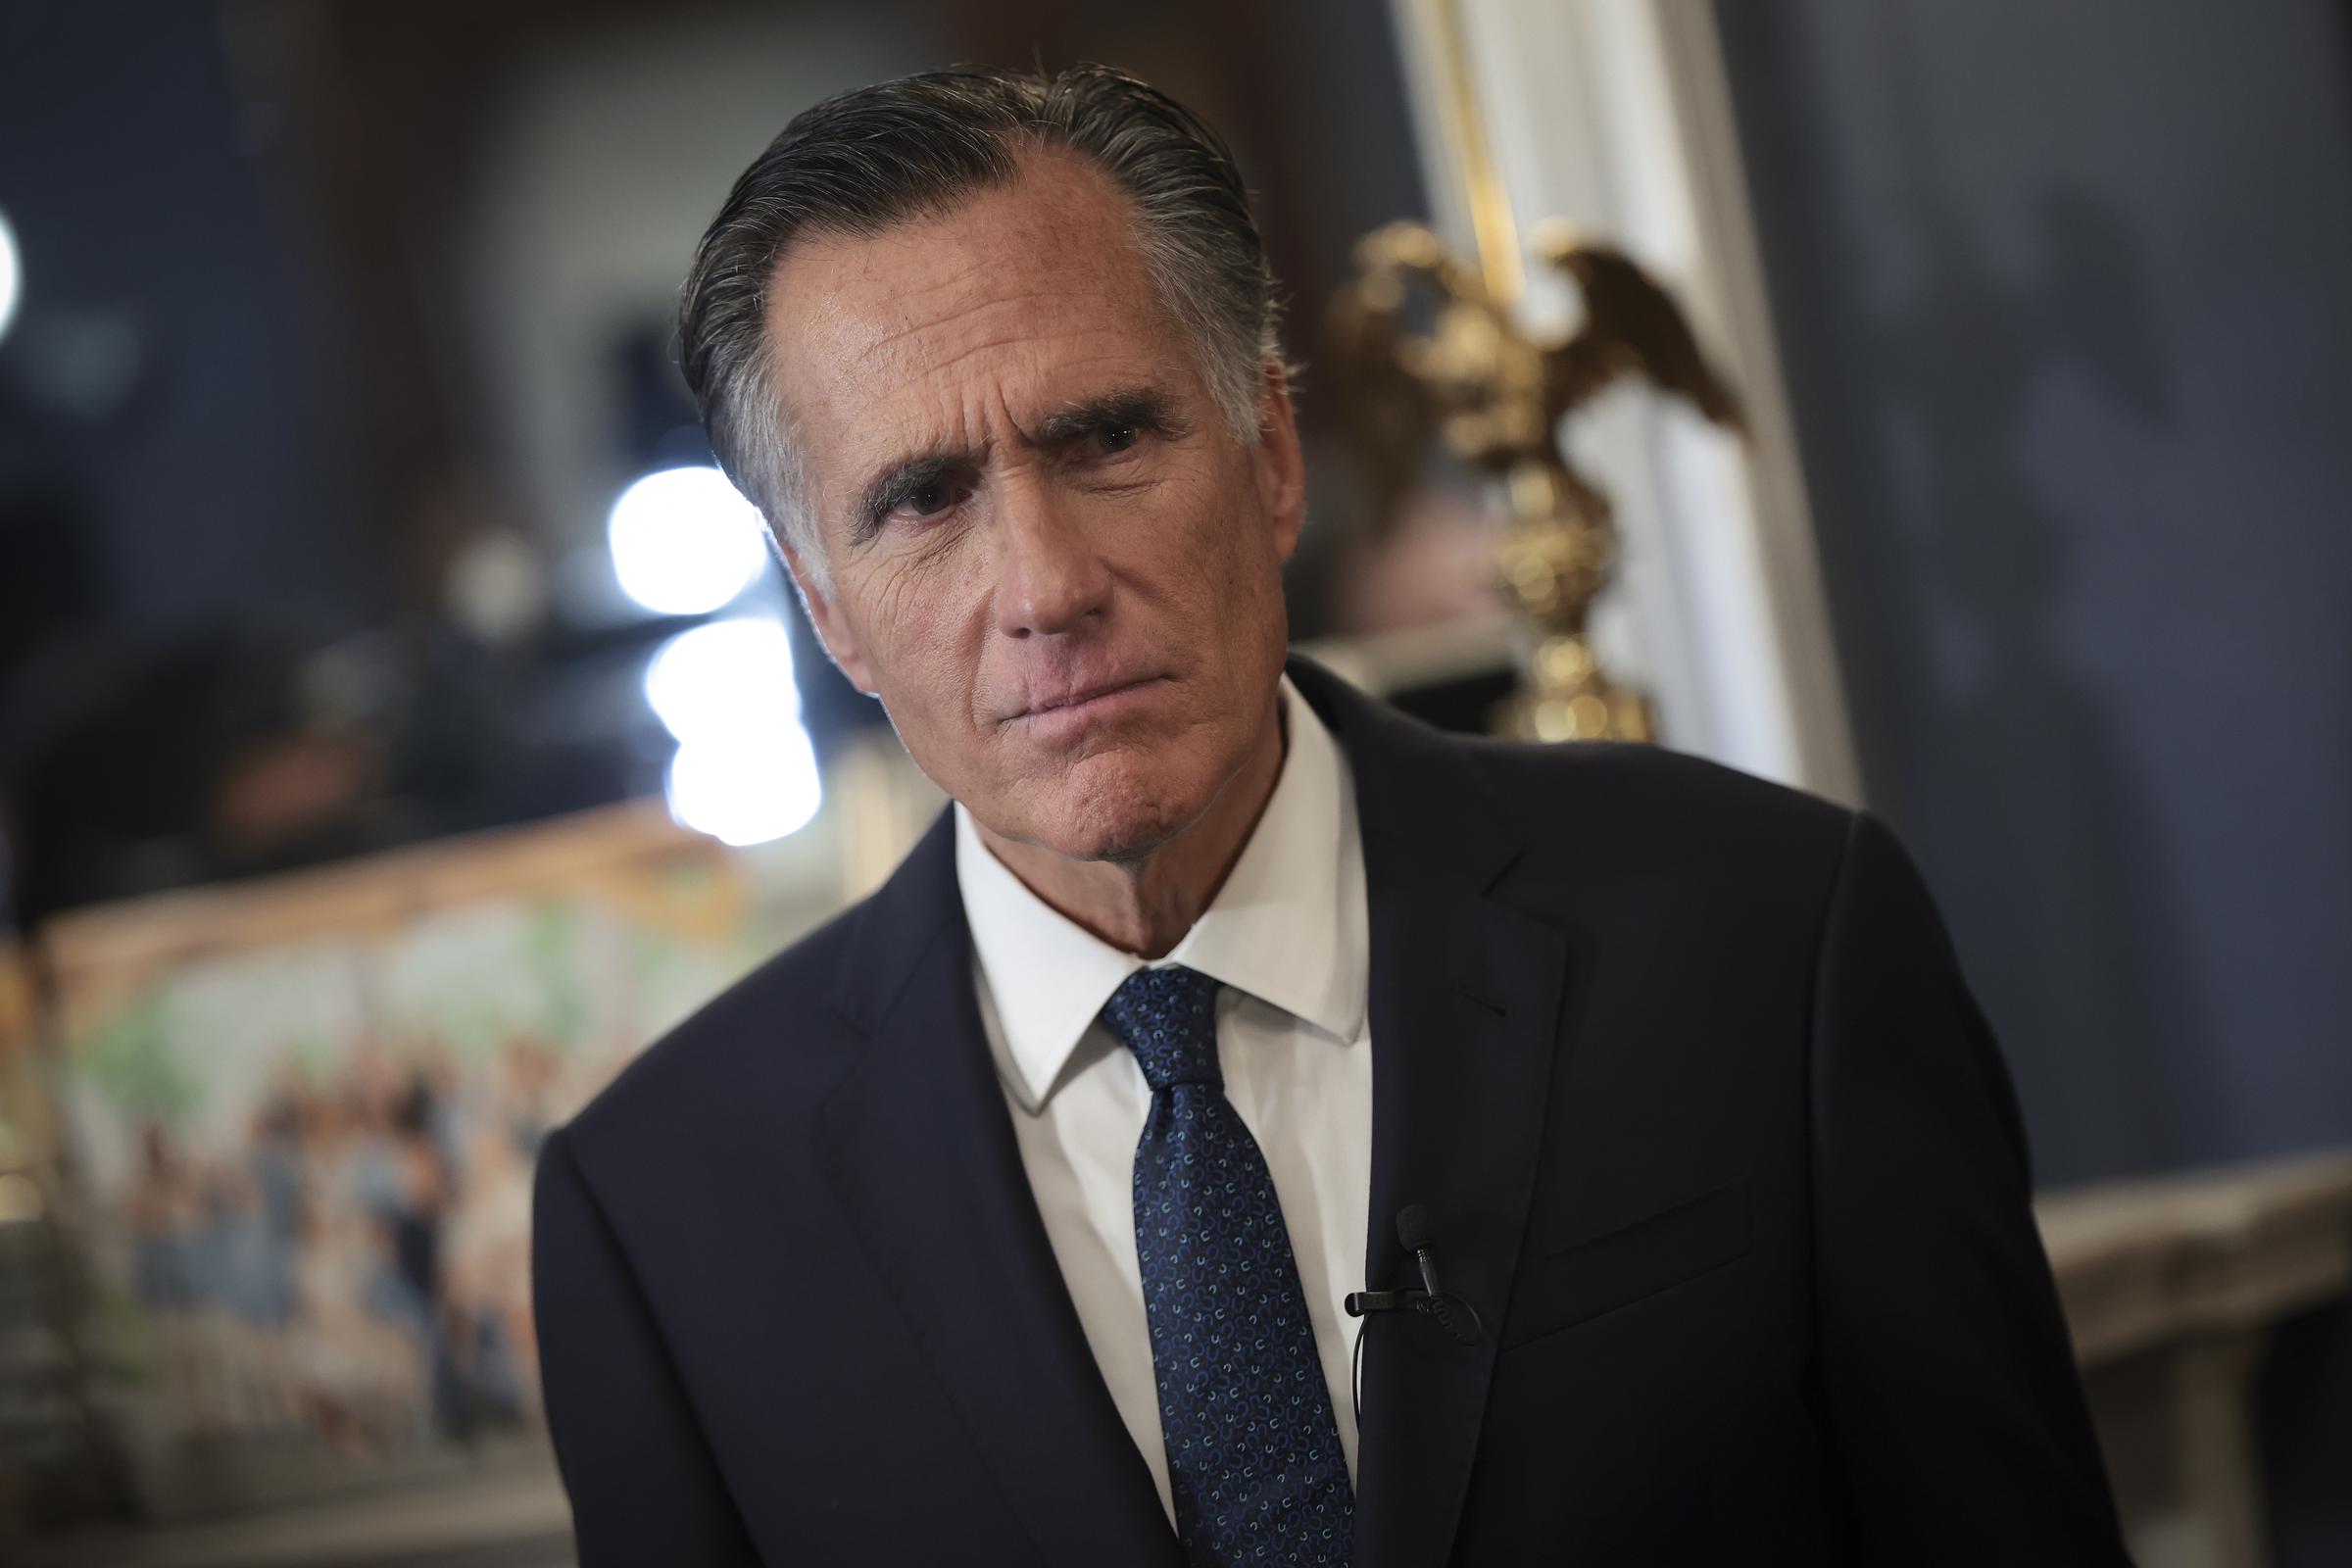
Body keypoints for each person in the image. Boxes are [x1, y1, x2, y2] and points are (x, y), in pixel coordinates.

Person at [529, 65, 2131, 1567]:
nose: (1047, 585)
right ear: (826, 610)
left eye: (1107, 439)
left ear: (1275, 456)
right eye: (921, 501)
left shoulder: (1772, 936)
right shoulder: (663, 1223)